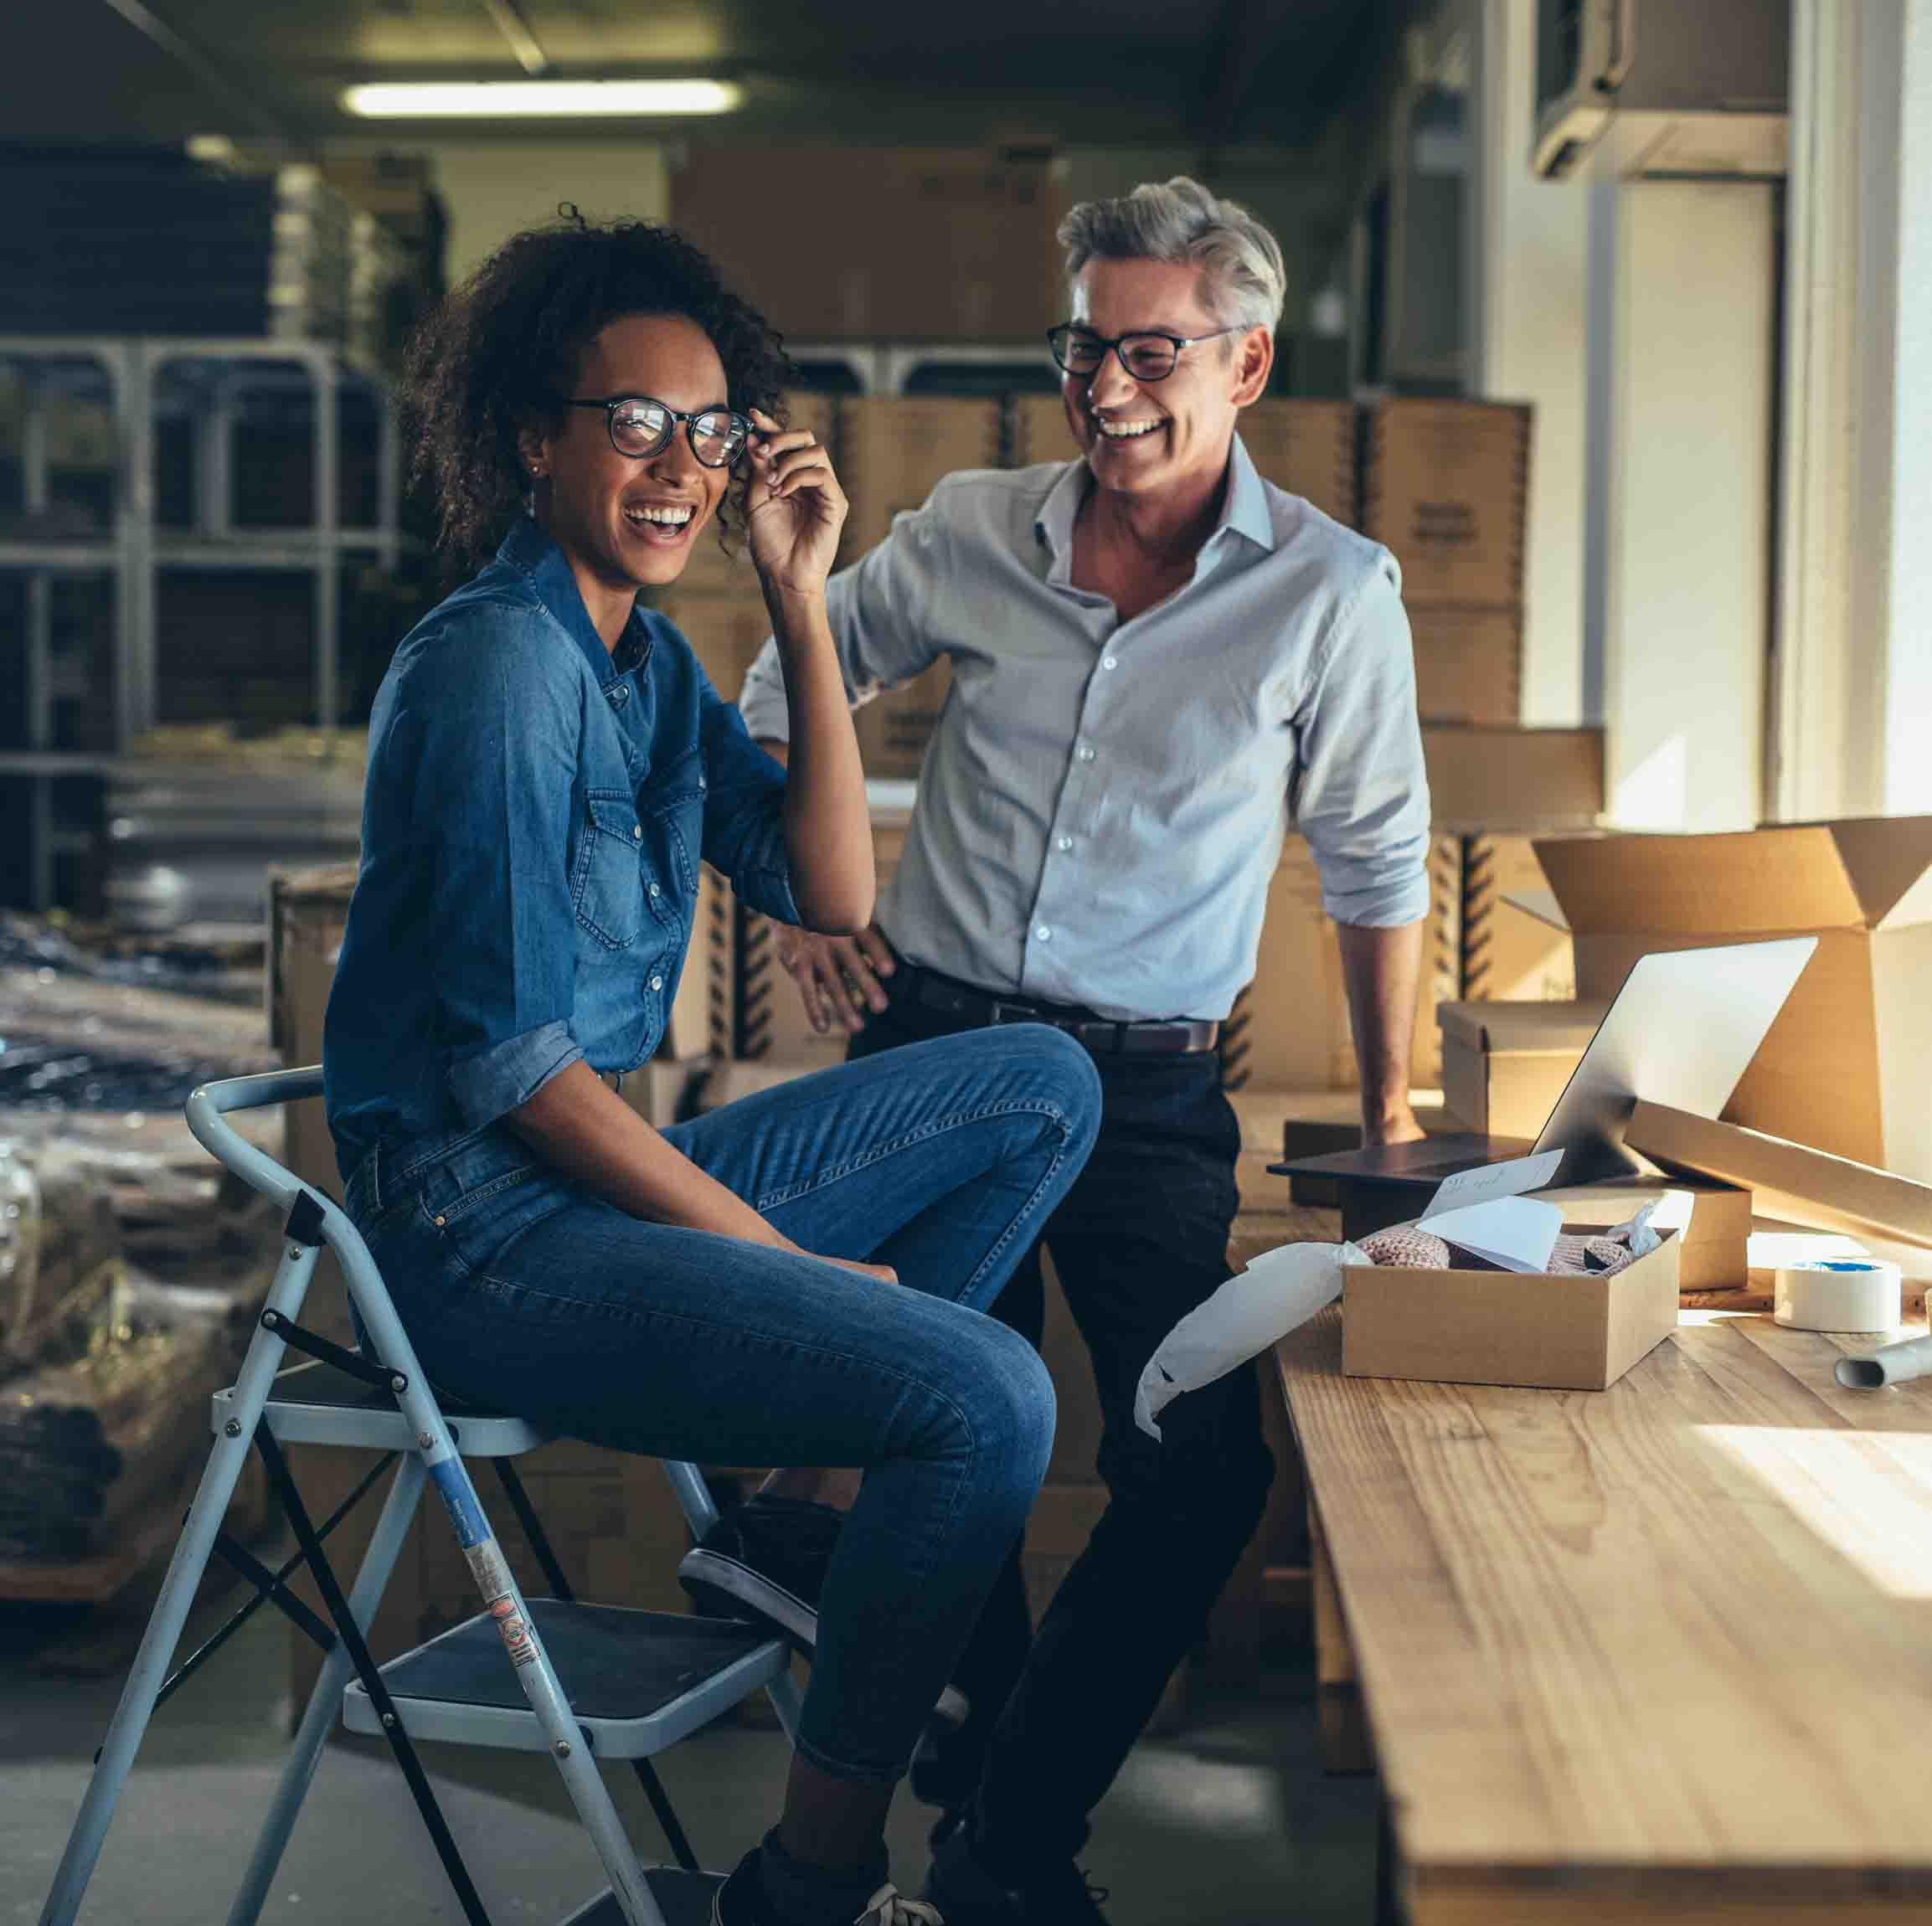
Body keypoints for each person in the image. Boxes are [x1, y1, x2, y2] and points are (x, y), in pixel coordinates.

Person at [322, 213, 1102, 1926]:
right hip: (477, 1239)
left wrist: (800, 600)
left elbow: (829, 890)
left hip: (580, 1187)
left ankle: (797, 1516)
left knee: (1038, 1079)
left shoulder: (641, 661)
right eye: (632, 422)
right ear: (534, 437)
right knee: (982, 1398)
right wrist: (771, 1261)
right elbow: (520, 1074)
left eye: (710, 429)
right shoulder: (494, 672)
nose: (678, 466)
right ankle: (807, 1891)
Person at [716, 178, 1432, 1922]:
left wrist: (1396, 1108)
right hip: (935, 1043)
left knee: (1202, 1470)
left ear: (1243, 360)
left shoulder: (1329, 593)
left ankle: (999, 1808)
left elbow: (1375, 859)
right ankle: (1001, 1838)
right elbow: (768, 698)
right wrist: (807, 911)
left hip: (1145, 1089)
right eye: (1080, 347)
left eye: (1147, 350)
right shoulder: (971, 528)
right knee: (955, 1426)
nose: (1104, 388)